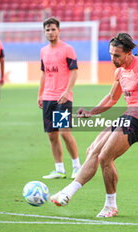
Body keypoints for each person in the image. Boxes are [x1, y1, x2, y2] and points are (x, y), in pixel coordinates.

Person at [50, 33, 138, 218]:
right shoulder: (119, 71)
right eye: (111, 54)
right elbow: (112, 98)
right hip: (128, 116)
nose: (113, 59)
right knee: (93, 150)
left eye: (117, 55)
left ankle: (110, 206)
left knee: (105, 157)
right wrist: (91, 112)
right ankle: (67, 193)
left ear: (129, 53)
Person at [38, 17, 81, 179]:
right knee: (51, 134)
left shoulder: (67, 49)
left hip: (63, 98)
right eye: (47, 30)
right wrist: (40, 93)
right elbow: (44, 73)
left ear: (59, 30)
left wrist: (67, 91)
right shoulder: (43, 51)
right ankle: (59, 169)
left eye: (53, 29)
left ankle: (77, 166)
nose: (50, 32)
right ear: (44, 32)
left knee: (64, 132)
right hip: (48, 97)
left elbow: (74, 71)